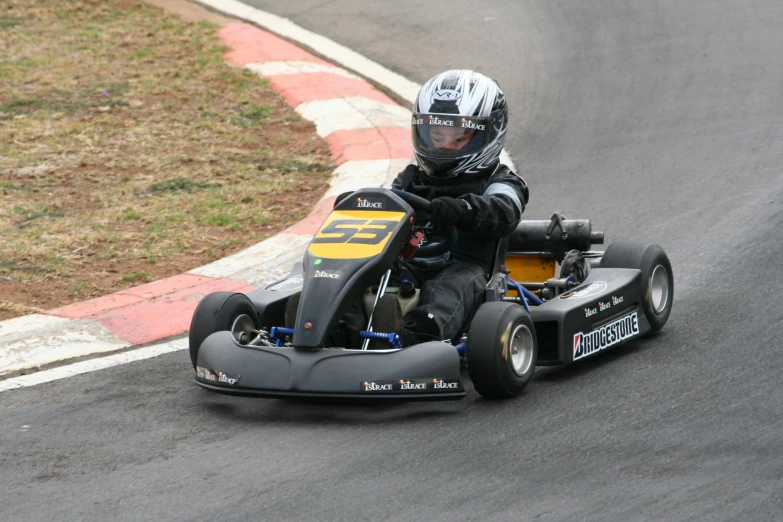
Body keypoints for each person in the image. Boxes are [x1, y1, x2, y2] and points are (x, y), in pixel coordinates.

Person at [370, 69, 530, 346]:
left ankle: (414, 340)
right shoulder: (411, 179)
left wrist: (464, 210)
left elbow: (503, 212)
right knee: (367, 277)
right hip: (411, 265)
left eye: (458, 137)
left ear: (488, 133)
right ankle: (340, 328)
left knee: (447, 289)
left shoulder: (503, 181)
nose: (445, 146)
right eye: (437, 135)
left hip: (468, 269)